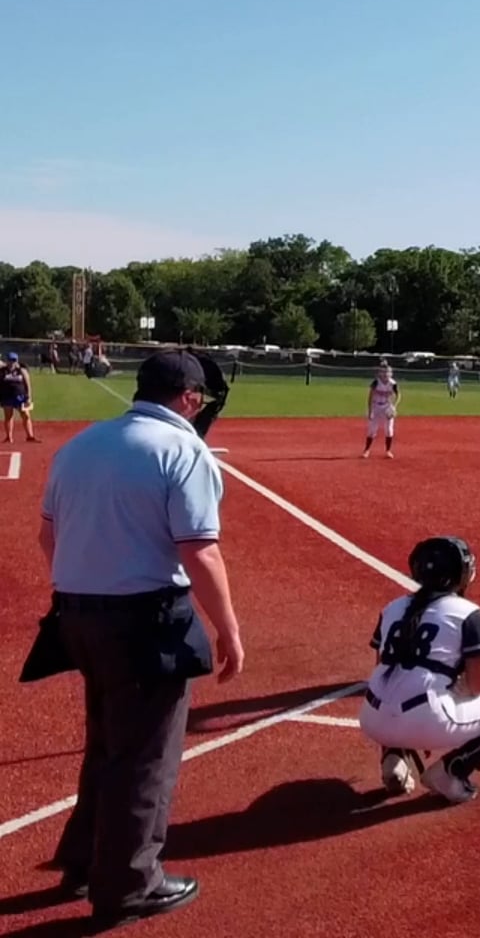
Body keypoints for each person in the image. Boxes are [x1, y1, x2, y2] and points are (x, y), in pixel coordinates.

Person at [31, 350, 243, 928]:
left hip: (78, 614)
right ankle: (128, 883)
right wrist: (228, 629)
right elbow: (199, 550)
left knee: (106, 744)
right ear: (190, 399)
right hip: (146, 621)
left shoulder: (80, 444)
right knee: (146, 755)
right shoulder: (182, 450)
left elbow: (48, 536)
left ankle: (83, 861)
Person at [359, 535, 480, 804]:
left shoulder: (392, 608)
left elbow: (382, 668)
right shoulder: (467, 612)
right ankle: (452, 771)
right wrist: (478, 675)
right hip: (428, 721)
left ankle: (393, 757)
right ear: (461, 574)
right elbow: (478, 687)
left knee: (398, 682)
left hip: (372, 719)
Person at [189, 347, 229, 441]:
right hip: (214, 393)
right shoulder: (206, 362)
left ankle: (196, 437)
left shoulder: (201, 363)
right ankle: (196, 437)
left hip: (213, 393)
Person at [363, 361, 400, 459]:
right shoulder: (376, 382)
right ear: (379, 373)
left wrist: (394, 406)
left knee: (389, 430)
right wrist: (370, 411)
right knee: (372, 430)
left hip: (387, 406)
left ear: (391, 373)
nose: (385, 374)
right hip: (376, 406)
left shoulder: (393, 383)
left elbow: (398, 395)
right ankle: (366, 450)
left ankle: (388, 451)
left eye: (387, 372)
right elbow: (370, 397)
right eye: (383, 372)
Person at [4, 350, 39, 443]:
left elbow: (28, 384)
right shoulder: (3, 371)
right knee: (8, 416)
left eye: (14, 360)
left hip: (21, 396)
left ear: (17, 361)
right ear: (7, 360)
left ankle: (30, 436)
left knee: (26, 415)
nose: (12, 362)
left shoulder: (22, 371)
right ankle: (9, 437)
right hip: (7, 396)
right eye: (10, 360)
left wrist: (29, 397)